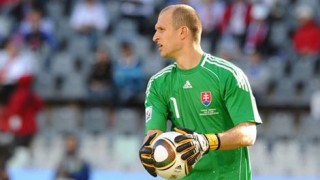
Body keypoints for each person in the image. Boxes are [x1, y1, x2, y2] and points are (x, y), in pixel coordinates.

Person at [139, 4, 262, 180]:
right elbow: (153, 134)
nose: (154, 37)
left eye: (161, 29)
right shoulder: (158, 83)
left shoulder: (228, 75)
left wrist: (206, 142)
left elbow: (249, 133)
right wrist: (148, 151)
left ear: (182, 32)